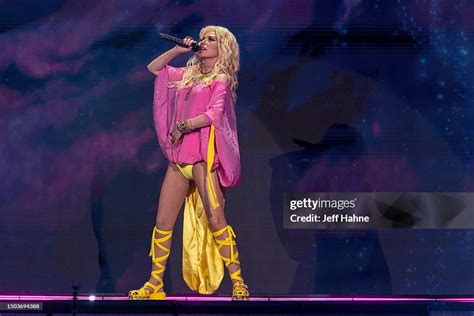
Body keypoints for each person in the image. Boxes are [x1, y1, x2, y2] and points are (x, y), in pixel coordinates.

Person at [128, 26, 249, 301]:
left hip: (203, 159)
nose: (203, 42)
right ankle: (155, 284)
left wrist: (183, 126)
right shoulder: (187, 75)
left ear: (223, 47)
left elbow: (213, 114)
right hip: (180, 159)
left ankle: (239, 282)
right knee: (162, 221)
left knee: (216, 219)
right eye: (202, 37)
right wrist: (176, 50)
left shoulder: (220, 78)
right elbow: (154, 69)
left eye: (210, 39)